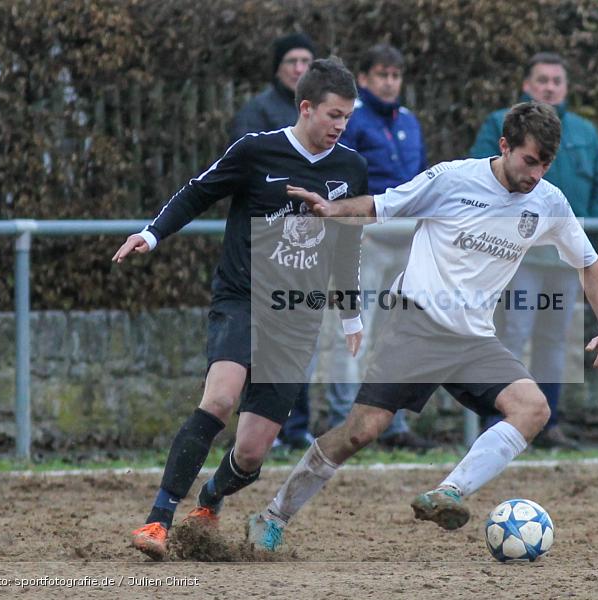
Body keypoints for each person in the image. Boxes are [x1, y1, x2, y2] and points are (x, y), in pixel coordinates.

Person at [244, 101, 598, 552]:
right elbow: (383, 205)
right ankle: (273, 515)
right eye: (529, 160)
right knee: (362, 431)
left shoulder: (548, 201)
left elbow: (589, 264)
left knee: (533, 409)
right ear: (504, 146)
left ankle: (450, 492)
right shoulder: (453, 179)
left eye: (546, 163)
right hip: (417, 324)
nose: (537, 173)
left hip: (475, 339)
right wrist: (334, 210)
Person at [113, 58, 368, 560]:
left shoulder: (349, 168)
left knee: (251, 453)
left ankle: (209, 500)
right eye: (333, 115)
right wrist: (151, 234)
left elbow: (346, 245)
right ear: (306, 108)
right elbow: (196, 191)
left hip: (297, 314)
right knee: (220, 399)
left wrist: (351, 312)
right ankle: (158, 520)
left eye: (347, 118)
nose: (340, 127)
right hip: (243, 298)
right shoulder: (256, 151)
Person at [469, 52, 598, 450]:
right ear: (528, 85)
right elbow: (477, 176)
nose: (549, 87)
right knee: (514, 335)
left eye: (557, 81)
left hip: (563, 260)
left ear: (566, 87)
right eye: (542, 80)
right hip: (518, 258)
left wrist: (586, 237)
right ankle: (503, 420)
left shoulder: (584, 132)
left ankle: (547, 423)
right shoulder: (500, 123)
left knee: (556, 341)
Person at [324, 43, 434, 450]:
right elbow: (342, 172)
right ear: (365, 78)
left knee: (400, 331)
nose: (390, 82)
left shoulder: (409, 121)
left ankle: (394, 422)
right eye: (382, 74)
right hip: (365, 237)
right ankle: (343, 420)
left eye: (396, 74)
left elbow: (421, 175)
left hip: (406, 238)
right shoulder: (352, 121)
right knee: (353, 328)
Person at [229, 32, 317, 449]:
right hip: (264, 243)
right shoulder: (257, 112)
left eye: (306, 61)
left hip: (308, 245)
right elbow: (246, 170)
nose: (299, 68)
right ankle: (263, 428)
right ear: (278, 66)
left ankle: (296, 426)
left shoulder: (322, 114)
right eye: (292, 61)